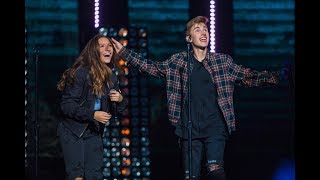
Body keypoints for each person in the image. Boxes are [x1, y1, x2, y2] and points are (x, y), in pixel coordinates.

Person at [111, 16, 282, 180]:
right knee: (191, 176)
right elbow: (152, 68)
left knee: (216, 171)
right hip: (189, 128)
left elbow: (248, 76)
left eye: (205, 29)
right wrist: (125, 53)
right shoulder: (178, 62)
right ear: (189, 38)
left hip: (215, 126)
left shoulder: (222, 61)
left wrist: (278, 76)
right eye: (197, 29)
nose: (203, 33)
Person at [56, 34, 128, 180]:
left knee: (95, 175)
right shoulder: (81, 73)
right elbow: (66, 105)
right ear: (94, 51)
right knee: (77, 176)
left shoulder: (112, 78)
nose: (108, 49)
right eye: (102, 46)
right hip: (73, 131)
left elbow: (117, 112)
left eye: (110, 46)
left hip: (94, 131)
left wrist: (120, 100)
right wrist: (93, 114)